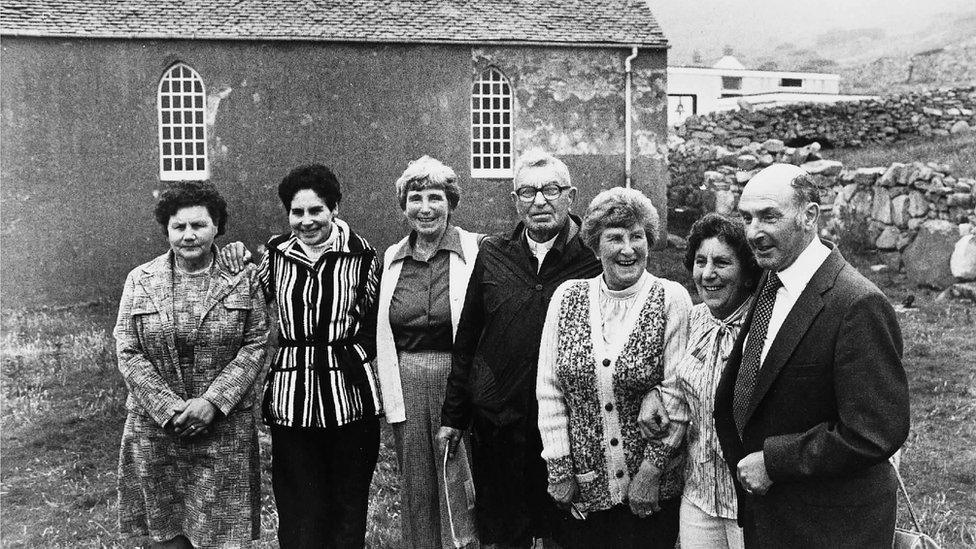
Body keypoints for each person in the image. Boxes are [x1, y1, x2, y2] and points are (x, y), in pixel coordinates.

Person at [713, 163, 910, 547]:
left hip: (830, 529)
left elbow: (876, 431)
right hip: (773, 520)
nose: (754, 232)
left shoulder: (857, 303)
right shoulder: (773, 283)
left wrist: (775, 461)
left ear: (809, 215)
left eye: (769, 216)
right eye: (747, 217)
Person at [437, 150, 602, 548]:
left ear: (571, 196)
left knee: (568, 532)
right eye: (527, 191)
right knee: (508, 532)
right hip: (501, 423)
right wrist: (454, 415)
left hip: (568, 426)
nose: (539, 201)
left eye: (550, 190)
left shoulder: (594, 257)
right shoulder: (494, 253)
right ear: (515, 200)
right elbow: (468, 339)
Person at [224, 164, 383, 548]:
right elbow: (247, 300)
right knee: (298, 512)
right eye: (298, 212)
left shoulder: (363, 257)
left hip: (350, 399)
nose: (307, 221)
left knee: (347, 509)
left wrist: (349, 357)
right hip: (293, 397)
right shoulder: (276, 254)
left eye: (316, 211)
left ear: (335, 208)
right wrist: (230, 258)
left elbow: (376, 322)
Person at [114, 181, 268, 549]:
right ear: (166, 230)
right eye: (178, 227)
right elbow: (127, 348)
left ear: (217, 226)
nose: (188, 235)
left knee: (222, 538)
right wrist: (169, 409)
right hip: (158, 432)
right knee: (168, 535)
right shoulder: (140, 280)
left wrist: (211, 403)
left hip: (223, 433)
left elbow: (255, 343)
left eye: (198, 225)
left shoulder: (242, 277)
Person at [536, 187, 692, 549]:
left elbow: (678, 395)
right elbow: (549, 389)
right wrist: (559, 470)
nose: (628, 249)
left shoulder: (671, 298)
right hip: (584, 492)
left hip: (651, 494)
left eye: (637, 237)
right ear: (595, 244)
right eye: (615, 238)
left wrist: (651, 473)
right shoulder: (567, 297)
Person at [375, 156, 482, 548]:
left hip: (458, 380)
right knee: (417, 487)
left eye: (435, 197)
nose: (425, 207)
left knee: (460, 481)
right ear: (404, 207)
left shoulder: (475, 250)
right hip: (406, 383)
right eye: (415, 198)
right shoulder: (391, 258)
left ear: (451, 203)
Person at [663, 213, 762, 549]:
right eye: (701, 261)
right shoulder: (693, 318)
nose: (708, 274)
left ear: (747, 272)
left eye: (722, 262)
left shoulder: (765, 326)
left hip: (750, 503)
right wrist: (655, 395)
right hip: (699, 496)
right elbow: (675, 383)